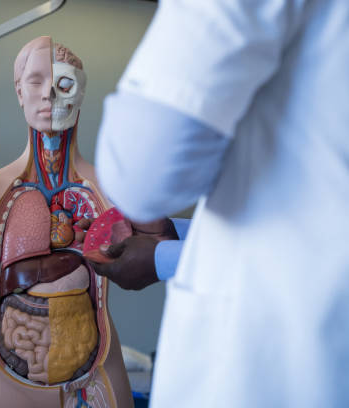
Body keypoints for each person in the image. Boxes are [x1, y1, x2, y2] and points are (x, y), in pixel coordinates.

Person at [93, 0, 349, 407]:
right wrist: (173, 240)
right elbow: (312, 208)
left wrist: (160, 256)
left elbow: (142, 173)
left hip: (283, 365)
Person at [0, 36, 143, 408]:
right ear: (19, 91)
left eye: (63, 83)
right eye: (35, 81)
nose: (49, 95)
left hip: (94, 370)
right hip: (0, 372)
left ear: (81, 93)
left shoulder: (113, 190)